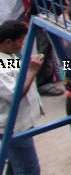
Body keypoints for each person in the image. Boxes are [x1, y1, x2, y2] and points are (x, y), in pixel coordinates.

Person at [0, 19, 44, 175]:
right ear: (7, 42)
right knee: (29, 170)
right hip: (14, 126)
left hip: (20, 122)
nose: (22, 44)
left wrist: (27, 65)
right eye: (20, 41)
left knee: (17, 165)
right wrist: (32, 71)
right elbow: (15, 94)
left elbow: (15, 71)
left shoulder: (7, 56)